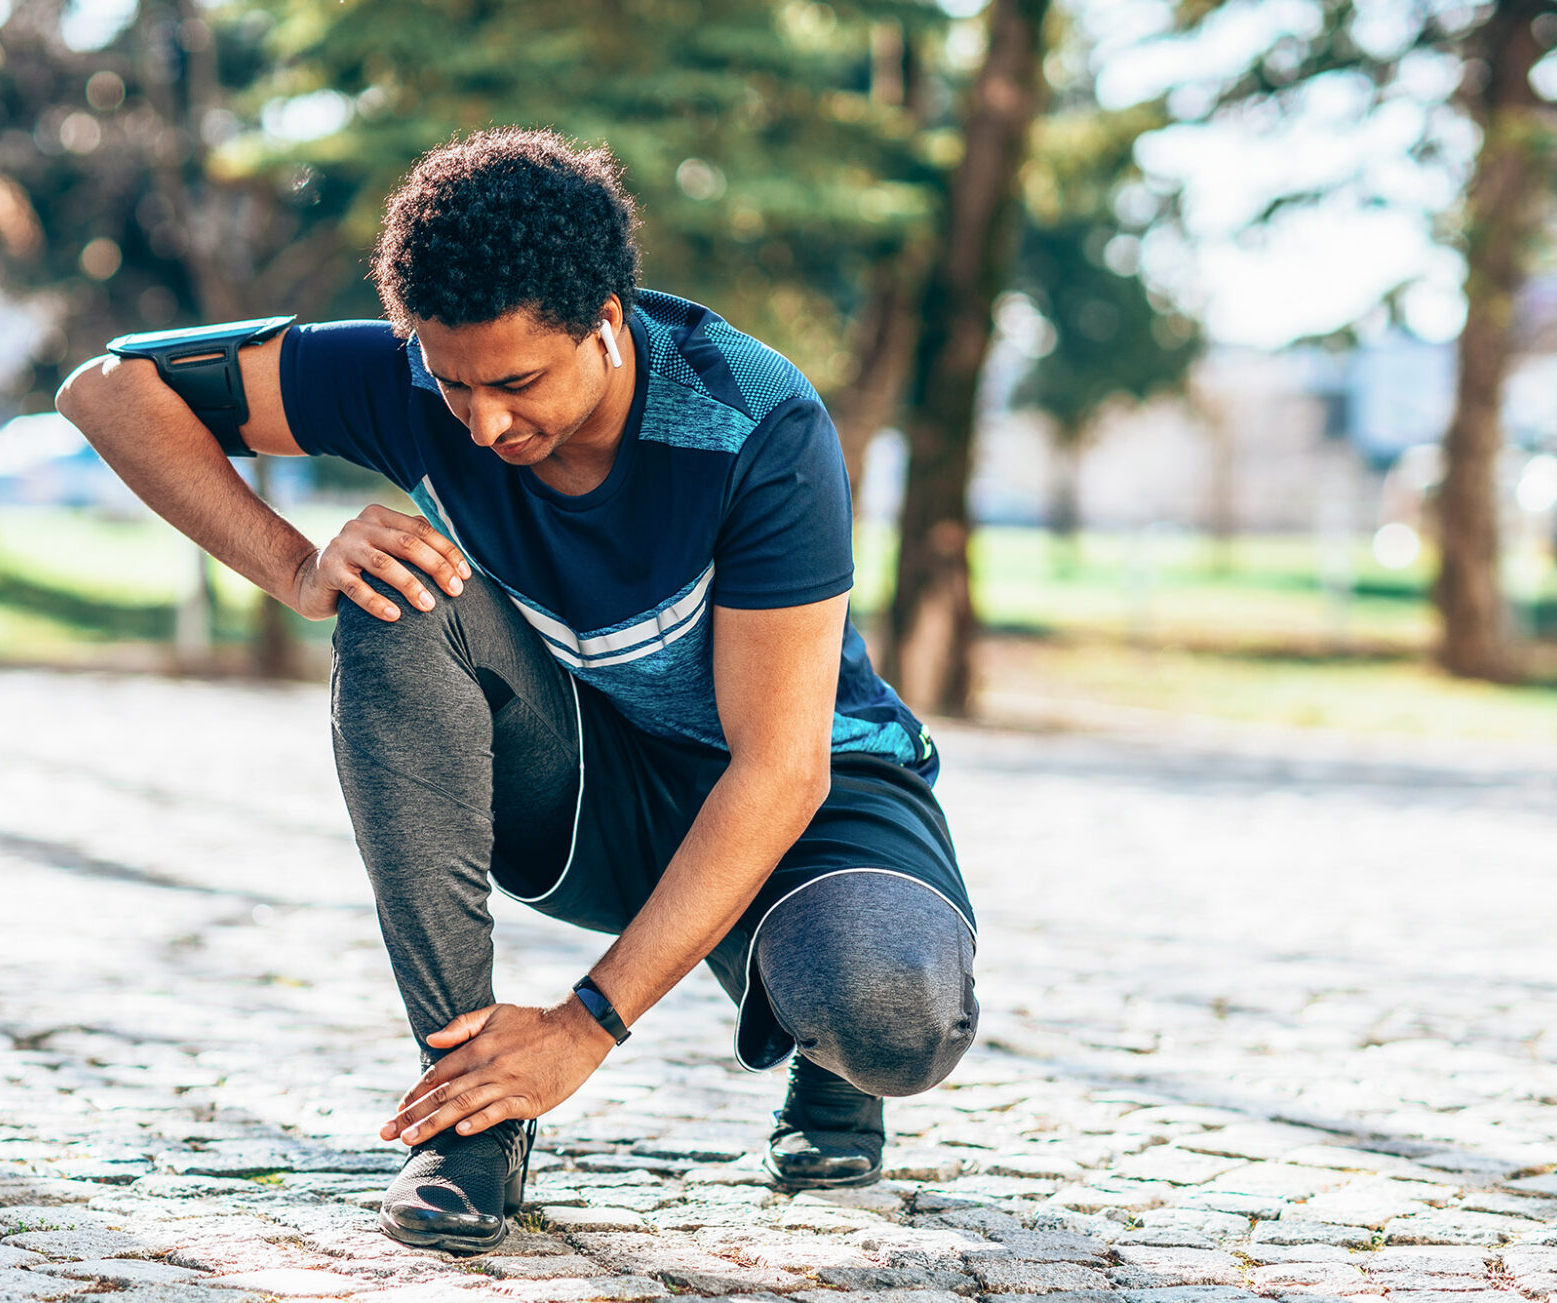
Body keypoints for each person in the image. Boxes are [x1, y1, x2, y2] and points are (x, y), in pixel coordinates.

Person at [57, 128, 978, 1254]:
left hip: (807, 799)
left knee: (892, 1013)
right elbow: (110, 390)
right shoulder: (411, 379)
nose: (485, 422)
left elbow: (778, 767)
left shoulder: (753, 420)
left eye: (515, 382)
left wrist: (584, 1025)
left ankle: (831, 1061)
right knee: (394, 593)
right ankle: (468, 1111)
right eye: (452, 384)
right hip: (591, 794)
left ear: (605, 320)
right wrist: (298, 567)